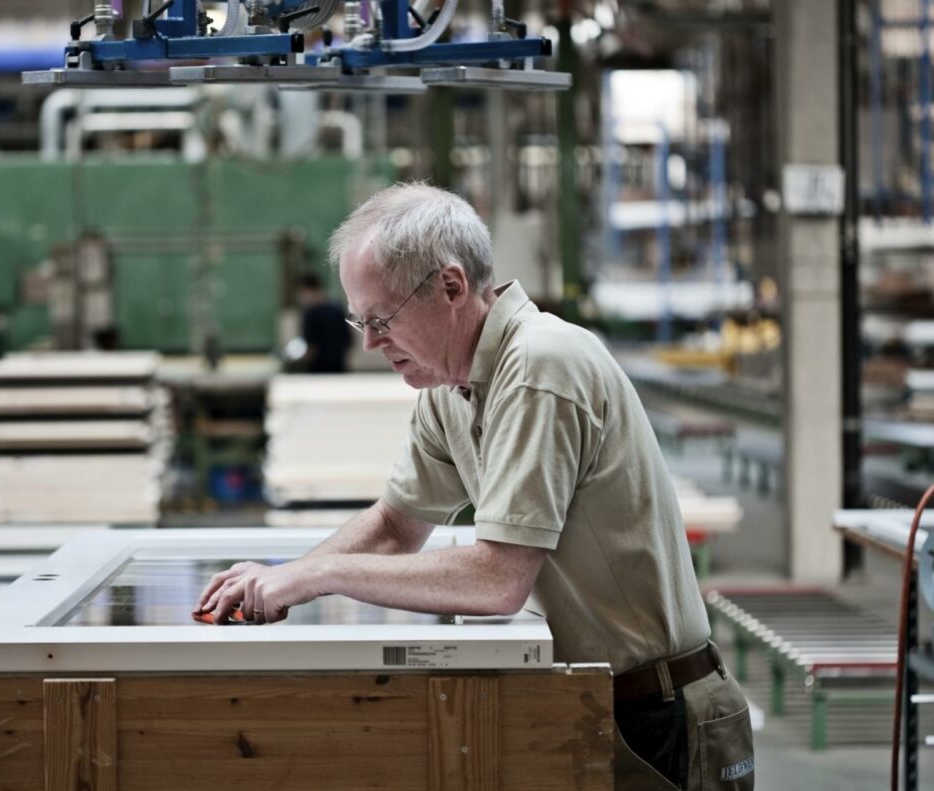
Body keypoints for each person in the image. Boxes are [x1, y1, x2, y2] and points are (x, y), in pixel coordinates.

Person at [196, 183, 754, 791]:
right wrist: (278, 582)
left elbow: (497, 580)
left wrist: (316, 577)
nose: (369, 342)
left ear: (451, 287)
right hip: (595, 704)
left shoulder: (541, 365)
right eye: (362, 320)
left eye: (381, 319)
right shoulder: (449, 389)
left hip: (658, 719)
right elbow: (394, 526)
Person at [295, 271, 352, 373]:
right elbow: (348, 340)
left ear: (307, 290)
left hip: (318, 369)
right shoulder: (337, 309)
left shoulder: (310, 314)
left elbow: (311, 349)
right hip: (339, 367)